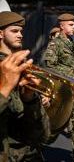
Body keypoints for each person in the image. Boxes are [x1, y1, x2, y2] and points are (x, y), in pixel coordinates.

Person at [0, 11, 50, 161]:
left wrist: (31, 100)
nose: (20, 35)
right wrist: (5, 88)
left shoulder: (23, 65)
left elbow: (43, 134)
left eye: (21, 31)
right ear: (0, 34)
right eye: (14, 31)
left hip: (31, 153)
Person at [42, 13, 74, 161]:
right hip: (62, 90)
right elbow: (49, 67)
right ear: (62, 26)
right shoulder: (55, 44)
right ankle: (39, 146)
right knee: (54, 127)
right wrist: (71, 77)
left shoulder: (73, 43)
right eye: (71, 25)